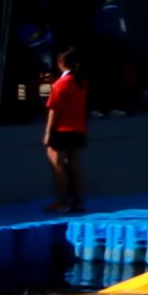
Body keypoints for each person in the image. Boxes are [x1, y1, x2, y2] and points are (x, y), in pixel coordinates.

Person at [43, 47, 89, 212]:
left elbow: (54, 108)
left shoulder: (60, 84)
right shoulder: (81, 81)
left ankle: (62, 201)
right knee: (75, 165)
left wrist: (48, 132)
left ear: (61, 63)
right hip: (78, 128)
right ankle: (78, 200)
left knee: (58, 165)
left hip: (62, 129)